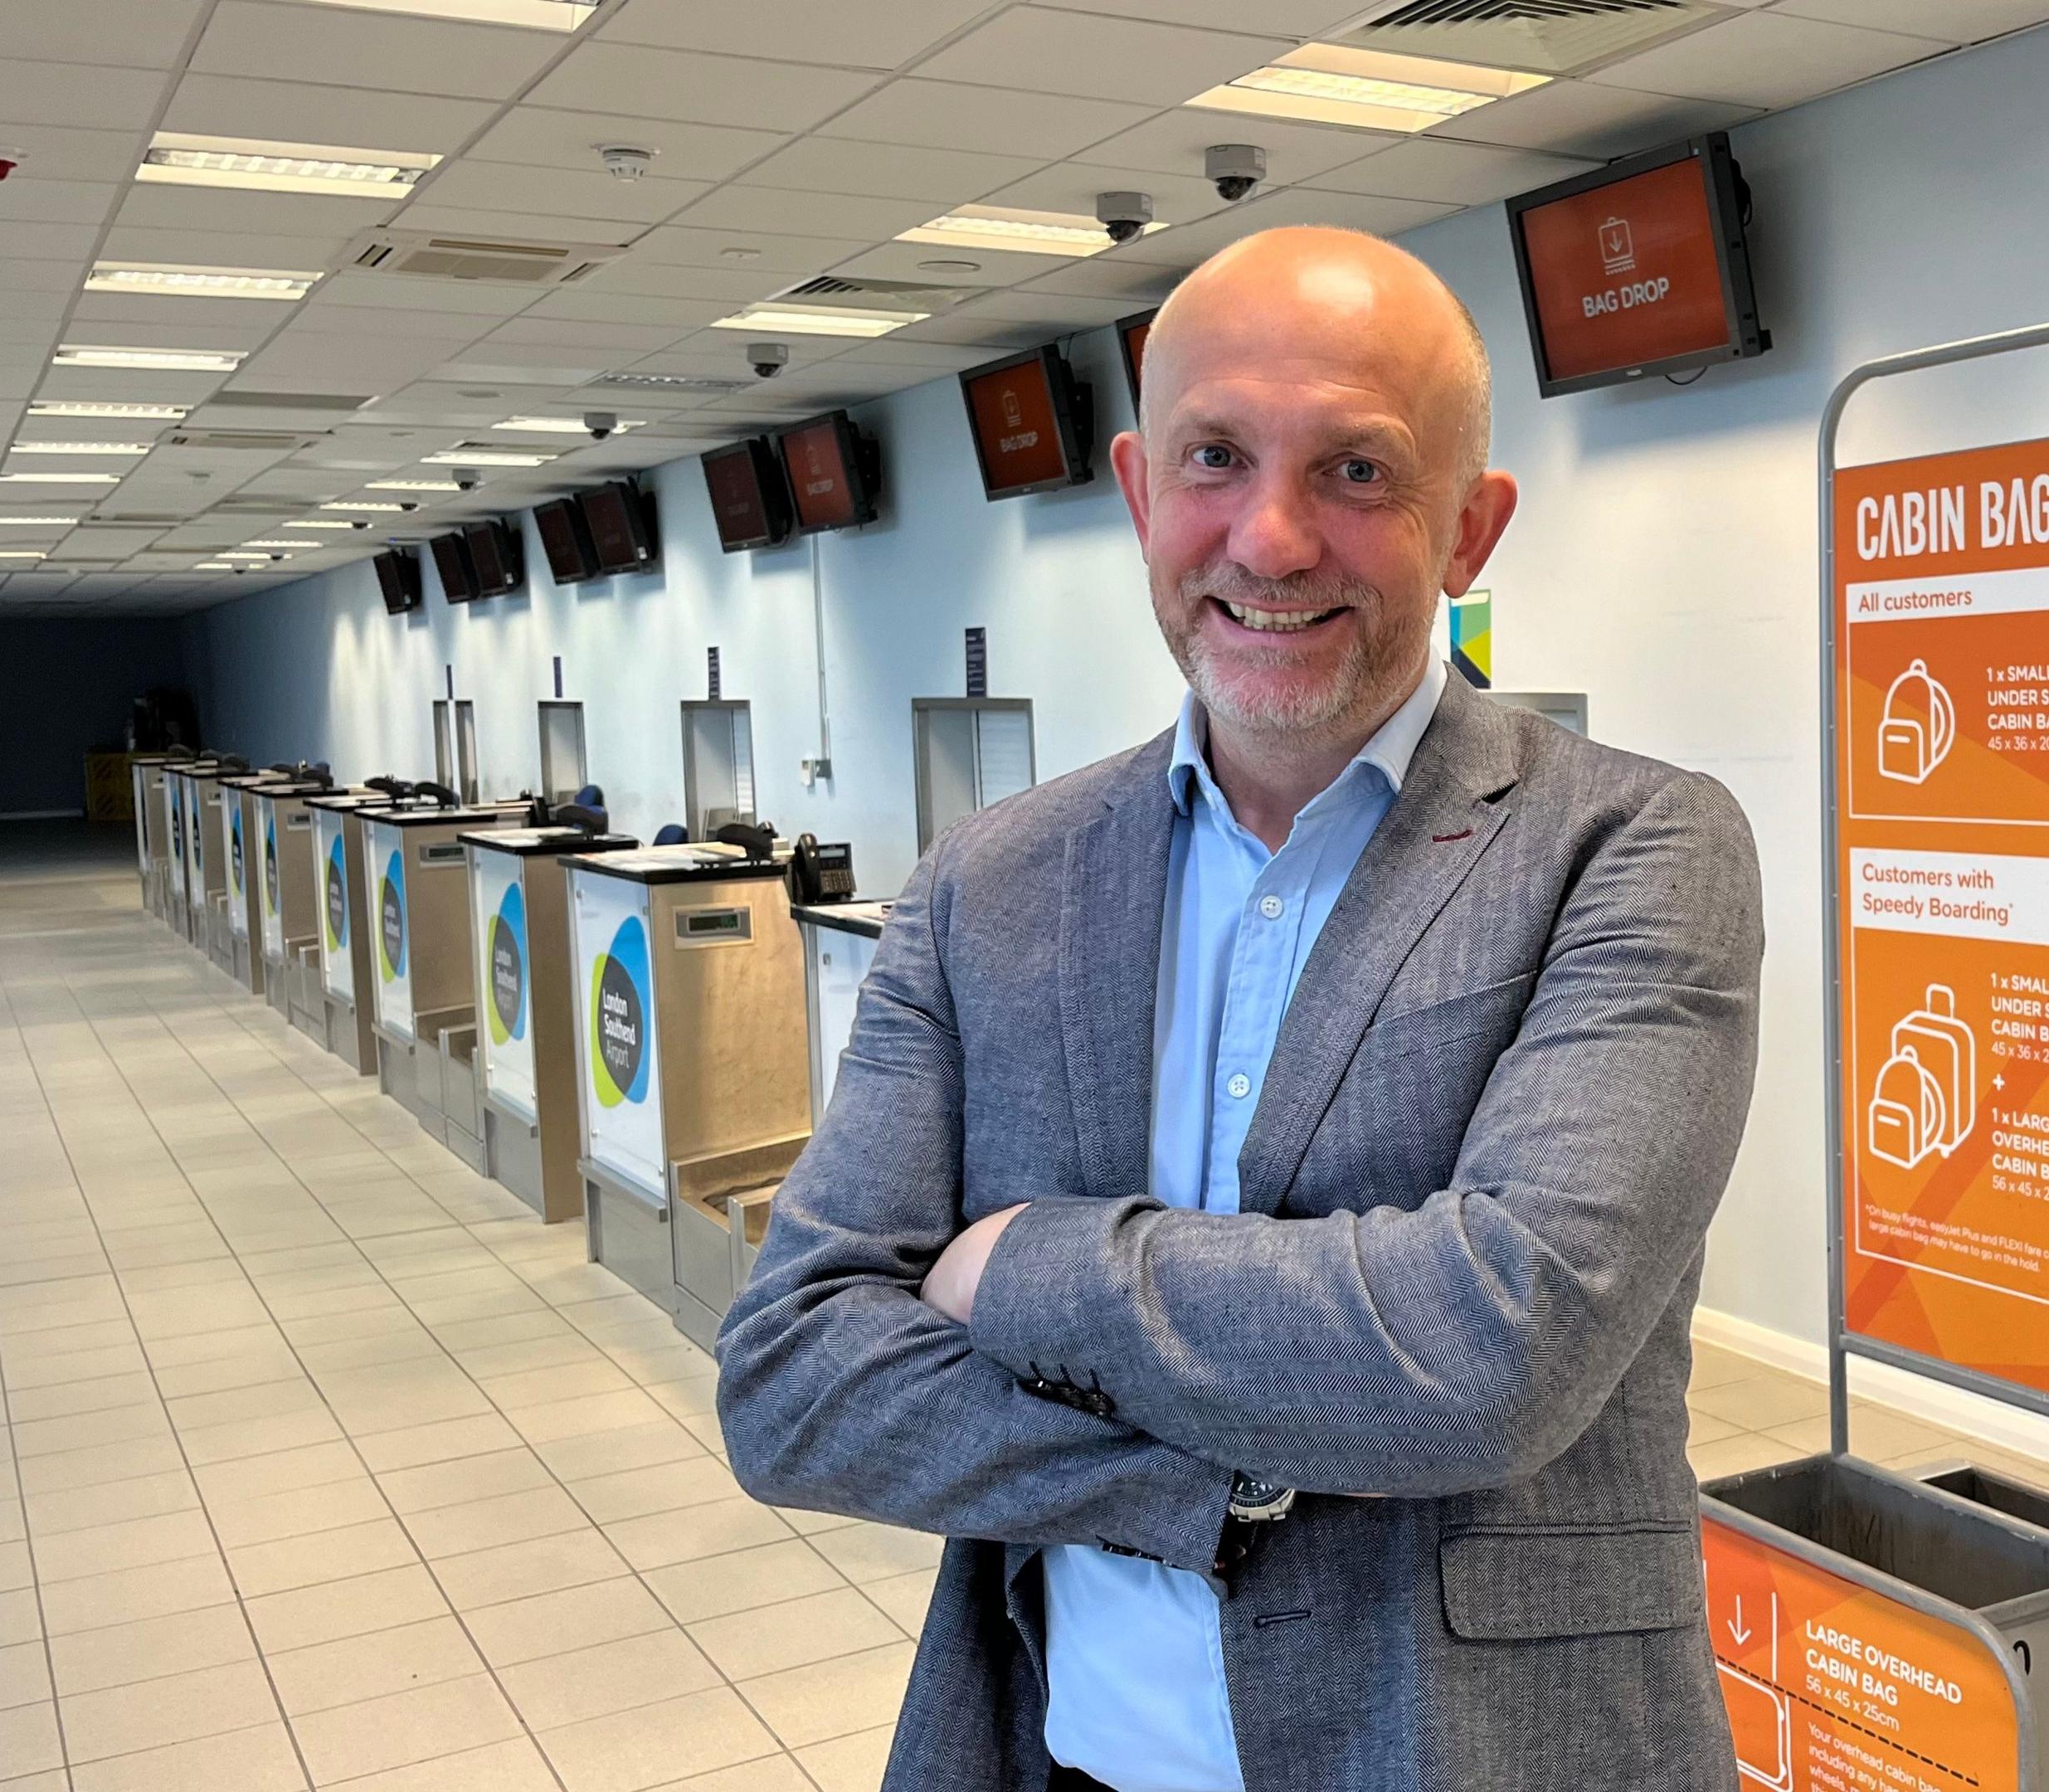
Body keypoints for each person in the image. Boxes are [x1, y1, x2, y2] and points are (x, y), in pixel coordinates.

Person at [717, 226, 1764, 1792]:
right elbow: (794, 1376)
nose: (1270, 541)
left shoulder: (1634, 847)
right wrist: (1223, 1473)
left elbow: (1494, 1351)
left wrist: (1025, 1262)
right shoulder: (988, 883)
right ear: (1141, 493)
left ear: (1470, 530)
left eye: (1356, 472)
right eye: (1217, 457)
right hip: (1065, 1759)